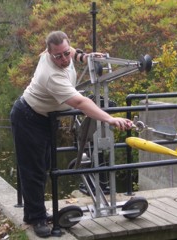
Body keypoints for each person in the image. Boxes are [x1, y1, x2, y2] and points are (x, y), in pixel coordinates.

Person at [10, 31, 132, 238]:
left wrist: (83, 57)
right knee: (34, 170)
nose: (64, 59)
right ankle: (37, 218)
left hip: (45, 118)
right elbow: (81, 103)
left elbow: (73, 52)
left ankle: (33, 213)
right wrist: (109, 119)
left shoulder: (61, 53)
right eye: (58, 56)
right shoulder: (51, 75)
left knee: (44, 165)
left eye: (66, 53)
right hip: (28, 117)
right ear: (48, 54)